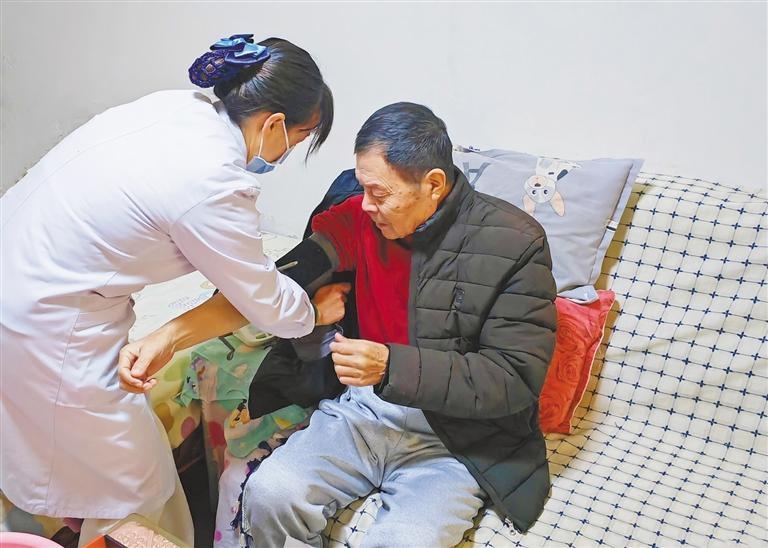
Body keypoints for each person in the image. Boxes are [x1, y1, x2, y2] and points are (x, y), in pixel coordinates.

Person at [120, 102, 557, 546]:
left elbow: (514, 378)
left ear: (433, 185)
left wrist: (389, 365)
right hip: (365, 413)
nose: (365, 204)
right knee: (270, 494)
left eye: (379, 193)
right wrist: (167, 337)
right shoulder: (357, 222)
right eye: (362, 187)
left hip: (458, 439)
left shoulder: (514, 243)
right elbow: (264, 292)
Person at [0, 34, 349, 547]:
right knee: (138, 486)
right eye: (298, 138)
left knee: (71, 457)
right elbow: (268, 304)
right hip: (48, 319)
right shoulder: (214, 186)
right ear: (274, 124)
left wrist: (166, 336)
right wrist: (311, 311)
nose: (291, 151)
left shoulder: (174, 108)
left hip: (24, 267)